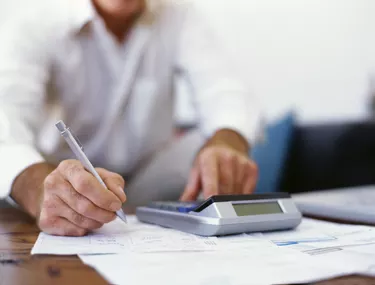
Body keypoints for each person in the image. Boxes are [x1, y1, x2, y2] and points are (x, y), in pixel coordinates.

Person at [0, 0, 262, 236]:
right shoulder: (36, 21)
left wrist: (228, 141)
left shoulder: (180, 15)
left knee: (207, 146)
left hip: (147, 184)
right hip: (62, 182)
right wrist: (38, 189)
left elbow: (225, 91)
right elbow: (5, 120)